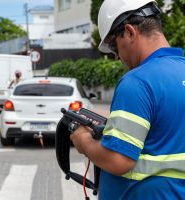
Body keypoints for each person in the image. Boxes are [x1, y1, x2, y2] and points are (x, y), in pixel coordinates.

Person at [70, 0, 185, 199]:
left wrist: (84, 141)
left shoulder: (138, 81)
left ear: (130, 32)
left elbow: (118, 160)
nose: (117, 57)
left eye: (114, 47)